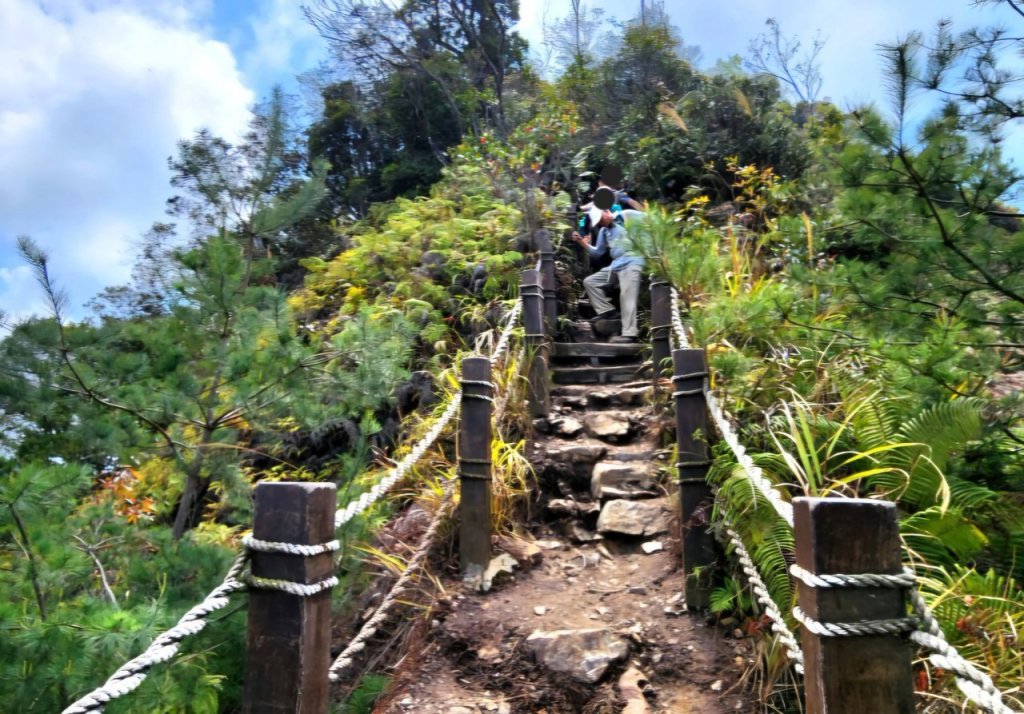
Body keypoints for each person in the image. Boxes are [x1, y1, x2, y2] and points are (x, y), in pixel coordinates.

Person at [571, 206, 645, 343]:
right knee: (590, 282)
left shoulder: (626, 215)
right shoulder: (604, 231)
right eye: (598, 222)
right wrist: (581, 241)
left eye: (600, 219)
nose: (600, 223)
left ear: (606, 212)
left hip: (633, 261)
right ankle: (607, 311)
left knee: (626, 295)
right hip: (616, 265)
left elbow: (651, 220)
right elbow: (597, 253)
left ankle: (630, 333)